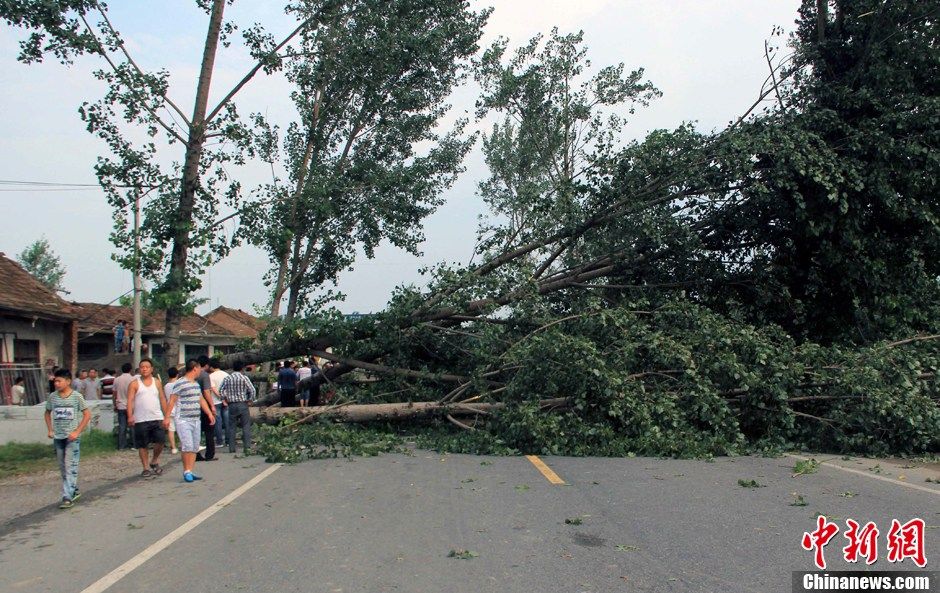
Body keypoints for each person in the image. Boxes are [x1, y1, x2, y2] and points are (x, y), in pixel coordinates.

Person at [44, 368, 91, 509]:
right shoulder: (53, 397)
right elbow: (47, 413)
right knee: (62, 466)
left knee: (70, 465)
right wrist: (50, 429)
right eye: (55, 381)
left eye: (59, 381)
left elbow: (87, 415)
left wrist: (77, 431)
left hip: (72, 438)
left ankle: (67, 496)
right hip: (58, 437)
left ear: (68, 381)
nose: (56, 383)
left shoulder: (76, 396)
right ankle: (73, 489)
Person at [164, 360, 215, 483]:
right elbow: (172, 401)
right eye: (199, 369)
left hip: (196, 419)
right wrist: (166, 417)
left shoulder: (196, 384)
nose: (200, 371)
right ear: (194, 368)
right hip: (183, 419)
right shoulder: (180, 383)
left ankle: (190, 470)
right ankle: (186, 470)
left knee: (194, 446)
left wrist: (209, 413)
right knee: (187, 445)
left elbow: (201, 399)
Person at [127, 358, 167, 478]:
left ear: (151, 369)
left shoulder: (157, 382)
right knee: (142, 444)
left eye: (147, 367)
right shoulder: (134, 383)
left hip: (156, 416)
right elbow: (130, 400)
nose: (144, 369)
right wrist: (130, 416)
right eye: (142, 367)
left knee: (160, 441)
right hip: (141, 418)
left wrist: (167, 416)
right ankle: (145, 467)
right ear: (139, 369)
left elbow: (162, 399)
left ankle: (154, 460)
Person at [220, 360, 256, 455]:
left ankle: (232, 448)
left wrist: (224, 399)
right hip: (242, 404)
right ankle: (247, 447)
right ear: (242, 368)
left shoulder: (227, 378)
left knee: (232, 426)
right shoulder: (244, 378)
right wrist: (250, 400)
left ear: (233, 368)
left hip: (231, 404)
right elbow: (252, 390)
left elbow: (221, 390)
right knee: (245, 425)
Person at [195, 356, 217, 461]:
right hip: (204, 406)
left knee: (196, 431)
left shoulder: (191, 375)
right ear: (207, 365)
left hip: (193, 406)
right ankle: (209, 454)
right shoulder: (204, 375)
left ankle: (196, 453)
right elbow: (206, 392)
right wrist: (212, 406)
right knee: (209, 430)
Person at [113, 363, 135, 449]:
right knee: (132, 426)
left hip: (121, 405)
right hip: (132, 406)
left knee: (122, 426)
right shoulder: (133, 379)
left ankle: (121, 445)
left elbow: (114, 393)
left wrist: (115, 404)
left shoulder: (117, 379)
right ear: (130, 369)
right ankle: (133, 444)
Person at [208, 358, 229, 447]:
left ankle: (219, 441)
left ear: (212, 367)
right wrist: (225, 398)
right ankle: (228, 441)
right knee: (227, 421)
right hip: (227, 400)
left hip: (215, 401)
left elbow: (213, 388)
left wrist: (220, 398)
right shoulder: (226, 374)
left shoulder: (211, 376)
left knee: (218, 422)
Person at [164, 367, 180, 455]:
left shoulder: (166, 386)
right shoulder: (178, 384)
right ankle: (184, 444)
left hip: (169, 410)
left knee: (171, 430)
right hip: (179, 409)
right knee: (181, 428)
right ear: (177, 374)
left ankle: (173, 447)